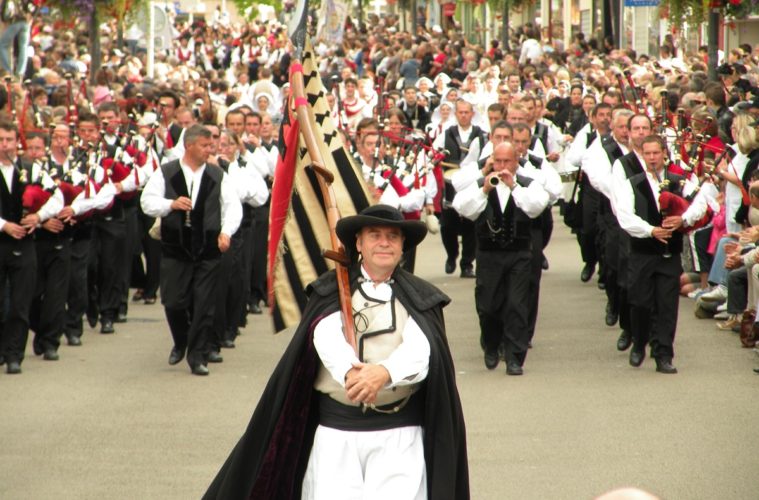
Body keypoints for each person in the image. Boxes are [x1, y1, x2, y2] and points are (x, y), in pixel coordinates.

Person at [203, 204, 468, 499]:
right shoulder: (331, 291)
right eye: (374, 235)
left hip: (401, 436)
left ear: (403, 245)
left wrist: (384, 373)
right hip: (336, 437)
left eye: (393, 236)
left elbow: (422, 350)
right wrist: (352, 373)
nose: (384, 243)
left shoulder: (421, 298)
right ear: (358, 243)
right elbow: (324, 336)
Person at [140, 124, 242, 376]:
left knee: (204, 304)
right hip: (176, 247)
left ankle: (198, 356)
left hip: (208, 249)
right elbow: (147, 202)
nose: (210, 150)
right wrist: (170, 204)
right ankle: (181, 340)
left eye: (211, 145)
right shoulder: (167, 172)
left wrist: (226, 232)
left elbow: (232, 206)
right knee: (173, 300)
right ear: (189, 145)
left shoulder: (218, 175)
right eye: (205, 145)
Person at [616, 135, 713, 373]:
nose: (651, 158)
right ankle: (639, 342)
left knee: (667, 305)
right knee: (640, 303)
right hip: (642, 253)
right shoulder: (632, 183)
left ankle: (663, 354)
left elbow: (702, 202)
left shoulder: (679, 181)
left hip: (669, 254)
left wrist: (683, 219)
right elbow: (624, 215)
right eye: (647, 154)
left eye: (656, 153)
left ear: (664, 154)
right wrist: (650, 230)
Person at [453, 142, 550, 375]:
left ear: (516, 162)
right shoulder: (480, 184)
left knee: (517, 305)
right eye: (499, 161)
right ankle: (491, 344)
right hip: (489, 255)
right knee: (488, 306)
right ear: (492, 162)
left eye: (508, 161)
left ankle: (515, 357)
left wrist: (514, 186)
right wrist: (484, 189)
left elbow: (536, 207)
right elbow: (463, 208)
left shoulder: (528, 184)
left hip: (519, 255)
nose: (503, 166)